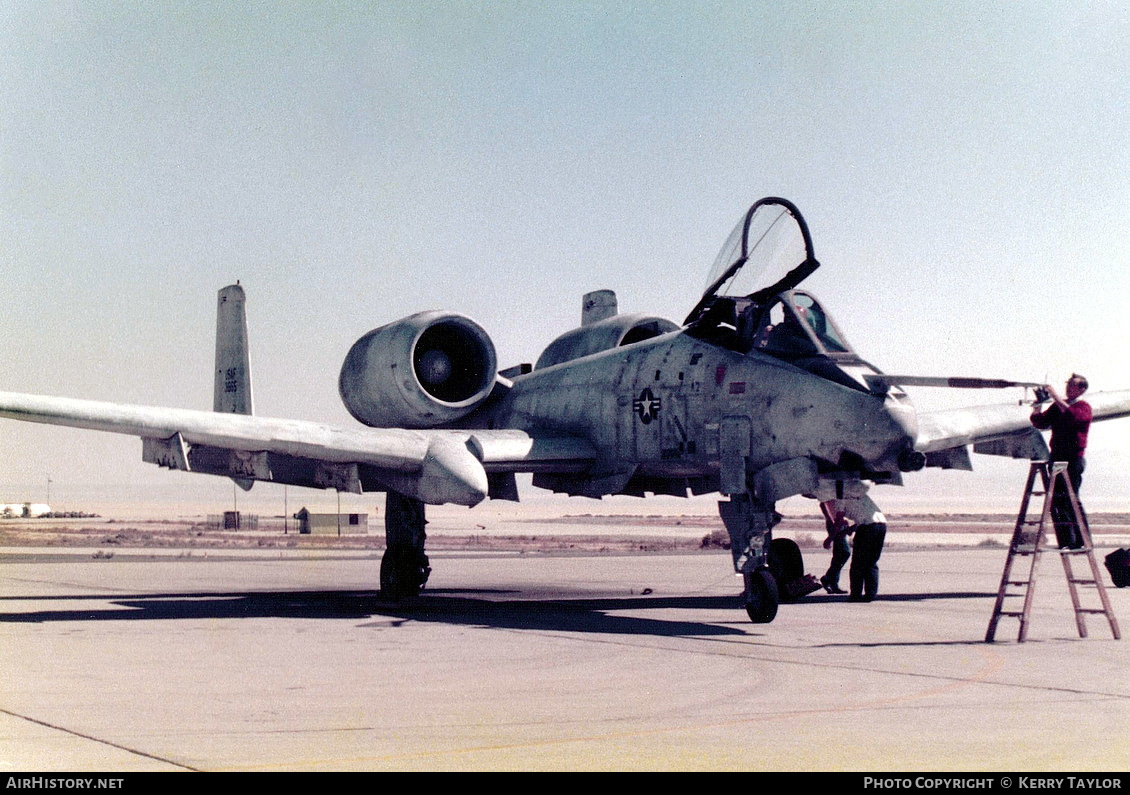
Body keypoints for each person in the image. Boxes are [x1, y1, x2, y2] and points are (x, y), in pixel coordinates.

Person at [1030, 374, 1093, 548]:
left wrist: (1055, 396)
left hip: (1073, 460)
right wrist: (1037, 406)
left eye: (1073, 385)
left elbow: (1072, 415)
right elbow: (1041, 422)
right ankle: (1068, 541)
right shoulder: (1059, 407)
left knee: (1072, 499)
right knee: (1057, 500)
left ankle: (1083, 540)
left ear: (1081, 389)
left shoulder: (1083, 407)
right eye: (1068, 384)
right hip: (1057, 458)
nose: (1068, 388)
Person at [818, 502, 851, 594]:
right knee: (839, 559)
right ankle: (831, 581)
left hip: (840, 536)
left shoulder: (839, 519)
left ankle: (829, 579)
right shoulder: (833, 517)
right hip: (839, 537)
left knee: (838, 561)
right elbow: (824, 507)